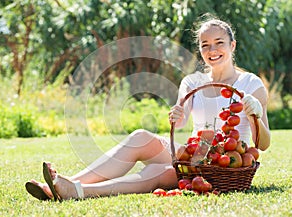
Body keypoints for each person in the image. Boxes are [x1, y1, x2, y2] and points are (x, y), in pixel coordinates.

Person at [25, 17, 270, 201]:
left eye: (219, 43)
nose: (212, 50)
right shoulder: (192, 82)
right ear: (200, 49)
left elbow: (264, 144)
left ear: (233, 45)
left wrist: (255, 113)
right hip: (194, 154)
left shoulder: (250, 84)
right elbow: (182, 122)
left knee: (161, 172)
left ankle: (76, 191)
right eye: (205, 45)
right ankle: (61, 184)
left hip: (224, 166)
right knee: (141, 137)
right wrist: (177, 115)